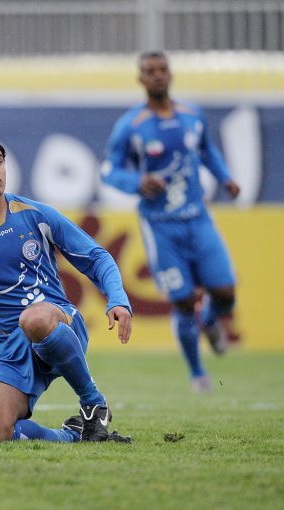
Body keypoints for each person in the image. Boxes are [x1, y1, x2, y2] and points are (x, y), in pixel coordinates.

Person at [0, 133, 133, 443]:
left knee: (34, 319)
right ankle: (74, 436)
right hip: (8, 345)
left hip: (59, 322)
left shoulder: (34, 214)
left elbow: (96, 256)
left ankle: (93, 404)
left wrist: (117, 298)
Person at [100, 51, 240, 392]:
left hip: (198, 219)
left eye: (162, 69)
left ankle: (210, 321)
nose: (158, 75)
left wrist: (225, 177)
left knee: (225, 292)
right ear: (141, 79)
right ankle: (198, 374)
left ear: (171, 74)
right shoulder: (131, 125)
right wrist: (137, 182)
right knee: (183, 300)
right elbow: (109, 170)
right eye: (150, 71)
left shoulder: (192, 115)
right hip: (160, 224)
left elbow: (207, 151)